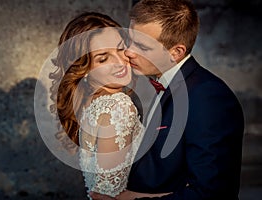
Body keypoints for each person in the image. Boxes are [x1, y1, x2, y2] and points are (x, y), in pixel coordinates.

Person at [90, 0, 245, 200]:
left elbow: (211, 194)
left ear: (176, 52)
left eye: (142, 46)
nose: (128, 52)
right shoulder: (162, 84)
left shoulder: (208, 98)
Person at [51, 12, 171, 199]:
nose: (120, 62)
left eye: (121, 49)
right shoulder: (118, 107)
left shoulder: (91, 104)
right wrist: (182, 194)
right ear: (83, 69)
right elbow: (109, 195)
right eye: (103, 58)